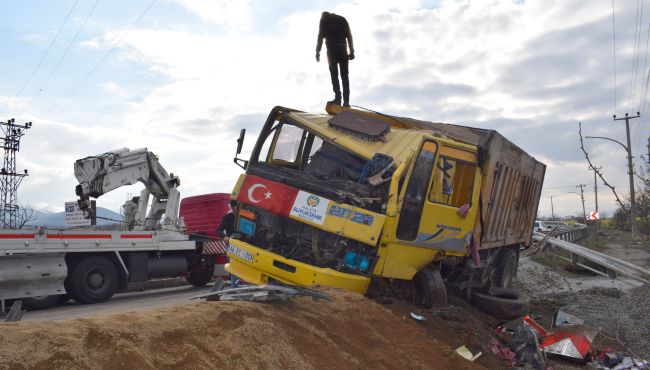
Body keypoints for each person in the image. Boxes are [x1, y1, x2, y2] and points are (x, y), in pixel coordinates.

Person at [316, 11, 355, 107]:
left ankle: (338, 98)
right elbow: (349, 36)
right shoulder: (342, 19)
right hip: (343, 49)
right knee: (345, 77)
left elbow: (320, 36)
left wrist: (318, 51)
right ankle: (346, 102)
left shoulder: (324, 19)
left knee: (334, 75)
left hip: (332, 51)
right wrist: (352, 51)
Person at [217, 199, 238, 288]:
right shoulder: (227, 217)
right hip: (232, 245)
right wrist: (224, 236)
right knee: (234, 267)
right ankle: (235, 288)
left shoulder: (244, 216)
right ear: (233, 208)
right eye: (237, 207)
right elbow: (219, 230)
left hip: (244, 245)